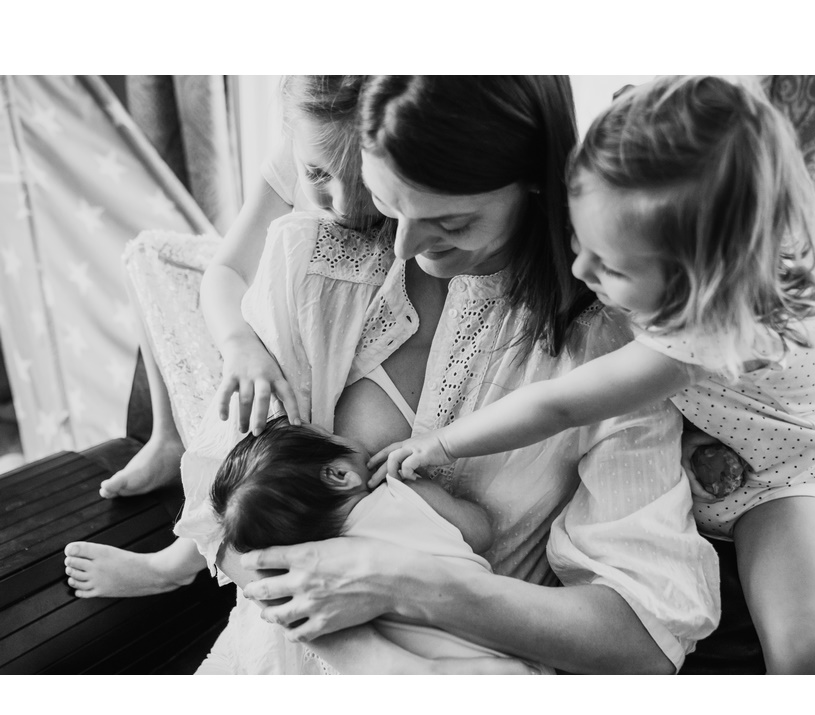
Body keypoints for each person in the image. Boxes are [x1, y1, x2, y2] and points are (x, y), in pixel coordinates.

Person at [202, 75, 719, 674]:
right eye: (389, 202)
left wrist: (405, 586)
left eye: (451, 222)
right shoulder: (312, 261)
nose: (404, 246)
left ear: (533, 177)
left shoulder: (611, 353)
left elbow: (644, 642)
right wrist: (352, 647)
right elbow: (225, 513)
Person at [373, 76, 815, 674]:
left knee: (804, 653)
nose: (580, 269)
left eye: (611, 268)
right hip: (702, 448)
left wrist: (441, 443)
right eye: (579, 240)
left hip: (777, 485)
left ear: (697, 277)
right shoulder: (680, 233)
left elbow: (558, 405)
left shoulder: (700, 334)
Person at [64, 75, 383, 597]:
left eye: (363, 180)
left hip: (318, 352)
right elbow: (226, 271)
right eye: (319, 174)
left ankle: (174, 565)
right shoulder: (294, 154)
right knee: (151, 255)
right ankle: (168, 437)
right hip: (260, 332)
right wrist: (238, 344)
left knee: (262, 394)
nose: (345, 205)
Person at [209, 415, 552, 672]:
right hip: (505, 645)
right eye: (331, 435)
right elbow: (481, 531)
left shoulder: (319, 577)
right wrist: (422, 482)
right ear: (340, 475)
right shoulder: (403, 493)